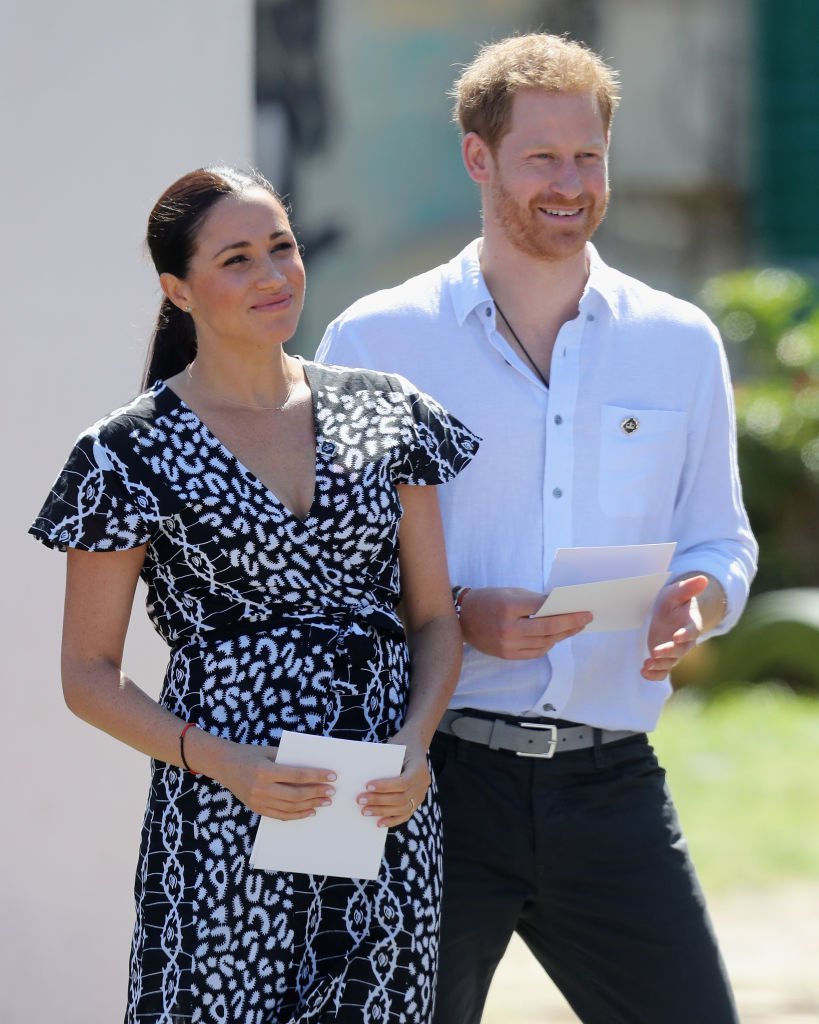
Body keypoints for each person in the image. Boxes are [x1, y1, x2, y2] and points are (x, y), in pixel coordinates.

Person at [316, 32, 758, 1024]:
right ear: (480, 158)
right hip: (432, 780)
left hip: (610, 785)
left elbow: (720, 536)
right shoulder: (377, 339)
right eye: (542, 158)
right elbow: (329, 577)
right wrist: (460, 613)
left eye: (589, 156)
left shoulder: (678, 342)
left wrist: (704, 596)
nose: (571, 183)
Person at [30, 165, 480, 1024]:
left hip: (379, 816)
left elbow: (431, 619)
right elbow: (87, 674)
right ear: (178, 289)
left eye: (282, 247)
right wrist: (222, 763)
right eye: (236, 259)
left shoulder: (389, 412)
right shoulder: (125, 454)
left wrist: (416, 747)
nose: (274, 277)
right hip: (224, 815)